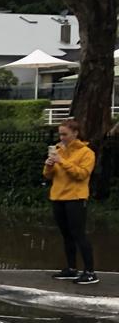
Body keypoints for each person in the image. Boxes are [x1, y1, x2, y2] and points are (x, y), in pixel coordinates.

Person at [43, 118, 98, 285]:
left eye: (65, 134)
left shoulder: (86, 153)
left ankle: (90, 272)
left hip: (76, 197)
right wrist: (49, 165)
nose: (62, 138)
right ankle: (71, 269)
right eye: (60, 134)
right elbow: (47, 175)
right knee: (66, 235)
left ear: (75, 133)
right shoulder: (58, 150)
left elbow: (82, 174)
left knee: (79, 234)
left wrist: (63, 162)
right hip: (58, 197)